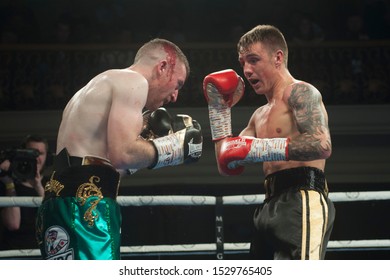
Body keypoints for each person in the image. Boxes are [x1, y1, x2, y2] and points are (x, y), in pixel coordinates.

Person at [35, 38, 203, 260]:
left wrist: (151, 146)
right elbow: (123, 154)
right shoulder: (133, 82)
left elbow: (108, 164)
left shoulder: (96, 86)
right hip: (86, 207)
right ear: (162, 66)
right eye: (178, 84)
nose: (175, 95)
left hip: (61, 202)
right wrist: (175, 148)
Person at [203, 25, 335, 260]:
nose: (247, 70)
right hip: (269, 205)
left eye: (254, 60)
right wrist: (219, 111)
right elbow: (226, 162)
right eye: (243, 63)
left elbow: (321, 145)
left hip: (302, 197)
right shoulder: (259, 115)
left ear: (278, 58)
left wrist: (260, 148)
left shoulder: (300, 92)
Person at [0, 134, 49, 250]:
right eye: (31, 153)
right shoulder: (7, 183)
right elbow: (13, 224)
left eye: (40, 153)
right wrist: (9, 183)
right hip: (13, 252)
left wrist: (37, 186)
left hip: (43, 252)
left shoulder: (52, 182)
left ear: (47, 156)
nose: (36, 158)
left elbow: (53, 217)